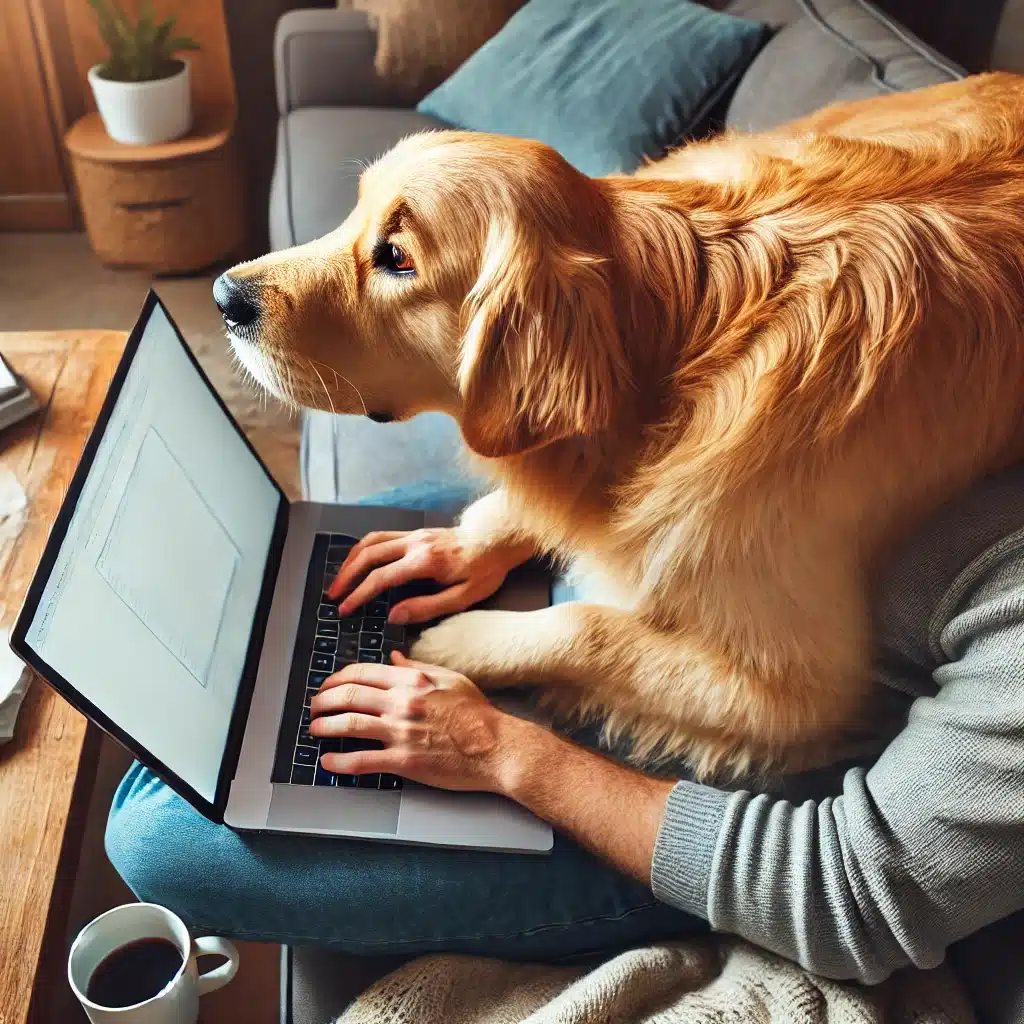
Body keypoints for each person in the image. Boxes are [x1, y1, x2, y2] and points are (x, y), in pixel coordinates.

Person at [106, 467, 1024, 986]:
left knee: (153, 831)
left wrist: (501, 753)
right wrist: (514, 526)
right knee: (339, 554)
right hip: (649, 586)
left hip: (738, 779)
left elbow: (854, 894)